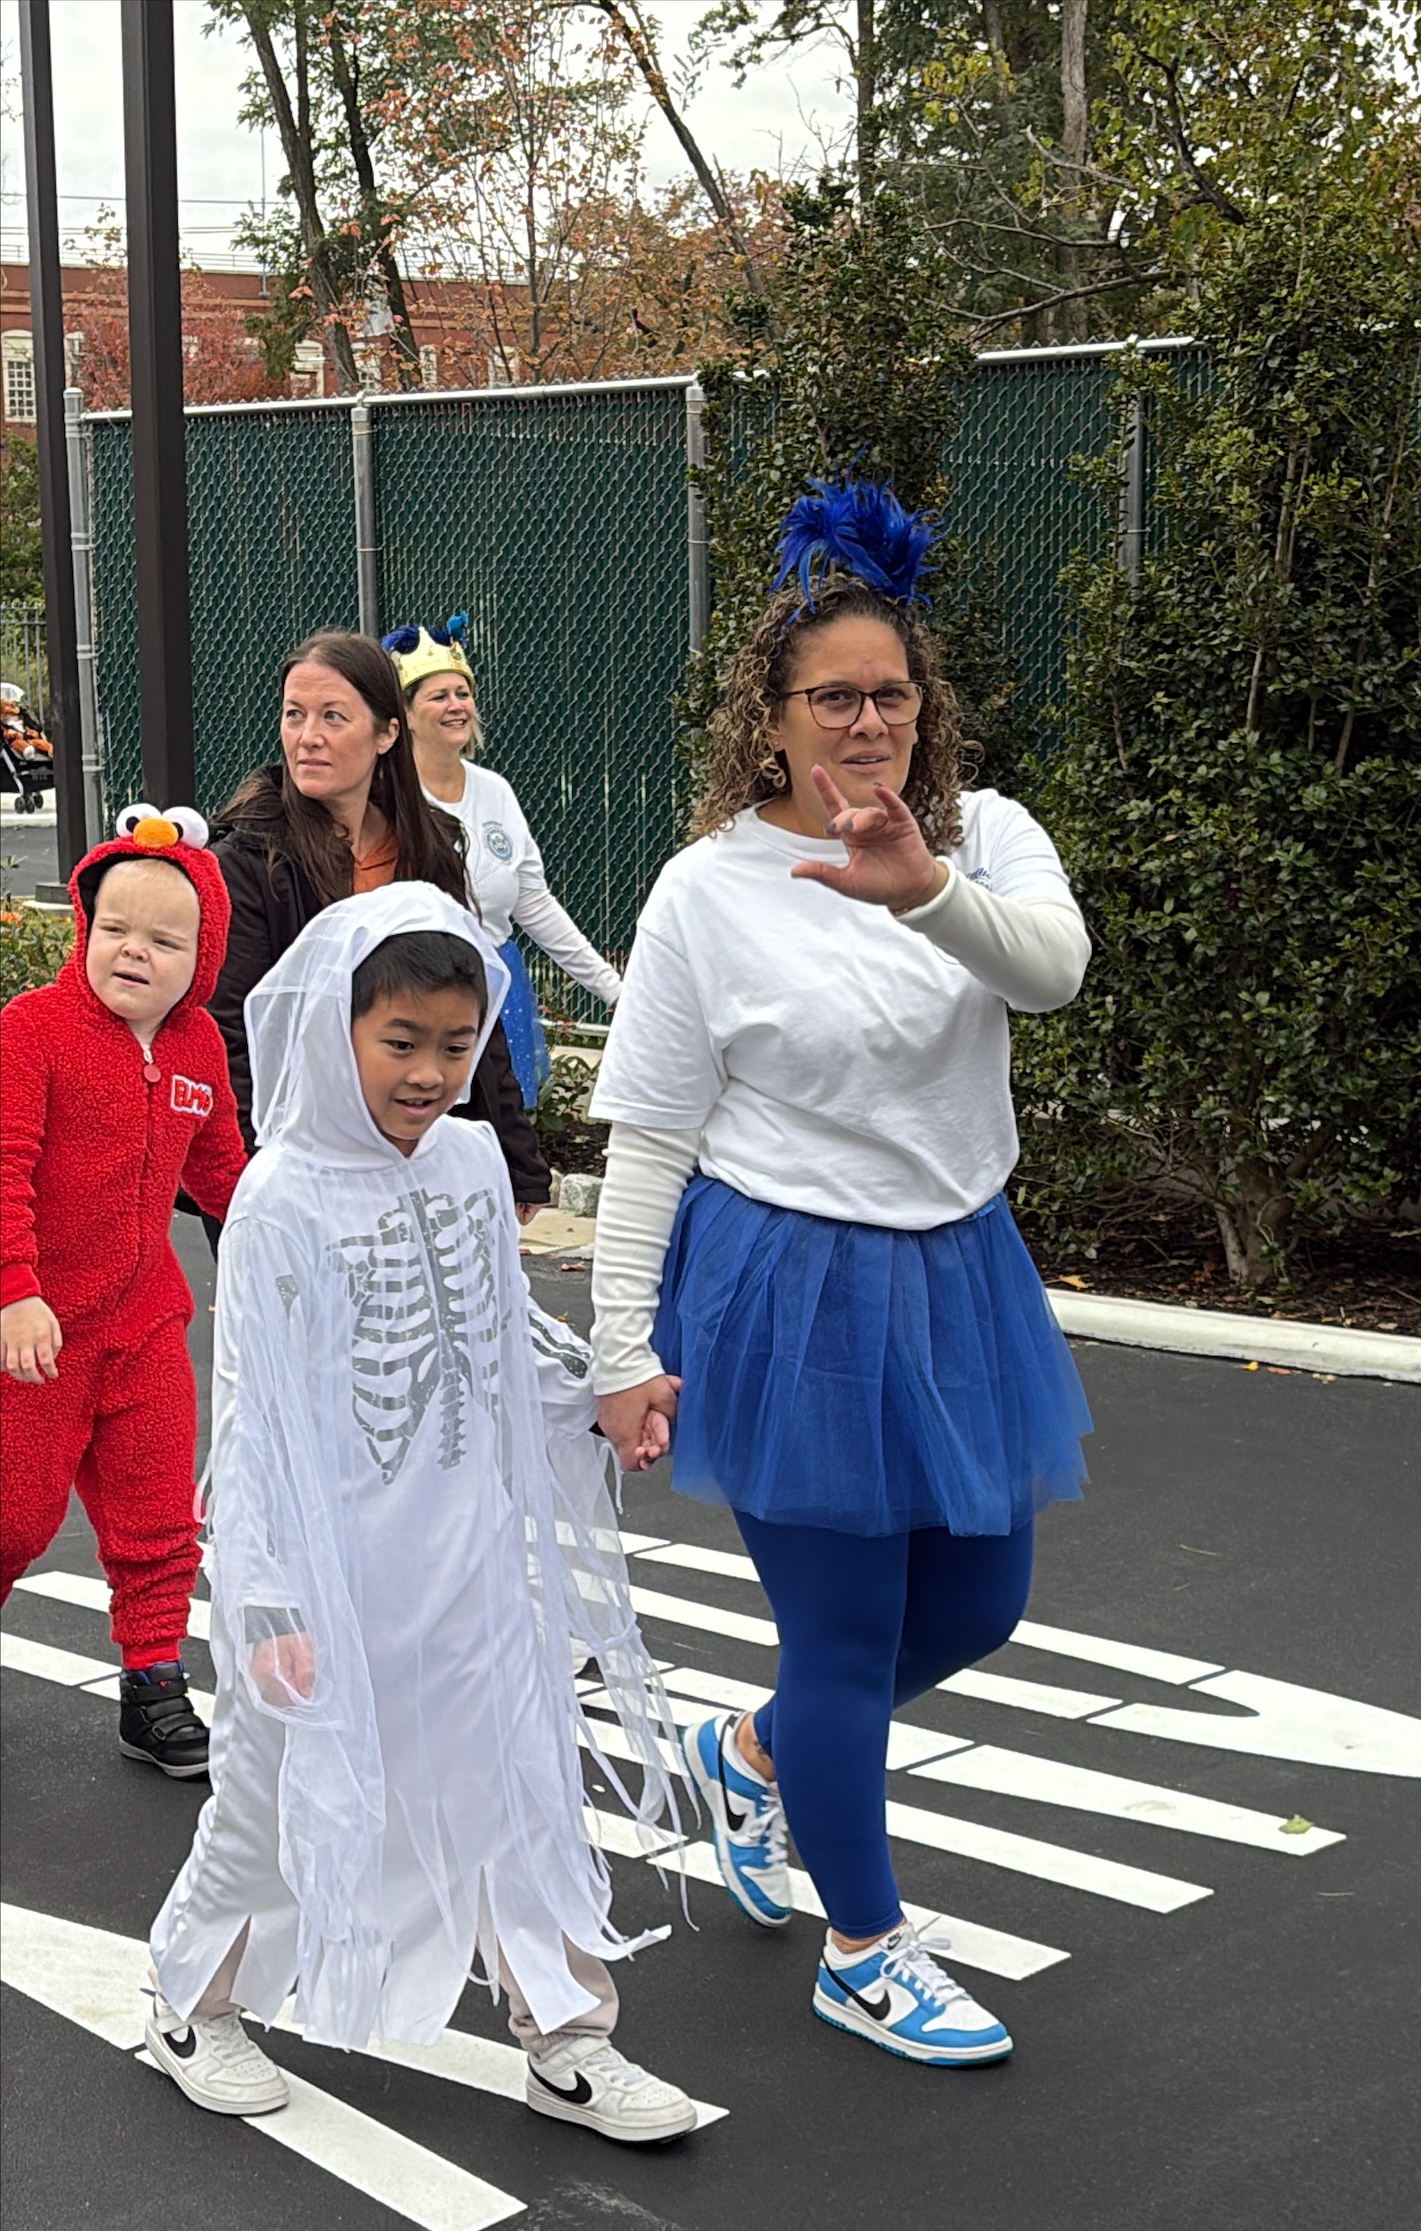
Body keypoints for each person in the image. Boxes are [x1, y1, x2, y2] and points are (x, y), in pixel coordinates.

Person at [586, 476, 1093, 2070]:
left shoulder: (986, 837)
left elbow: (1056, 975)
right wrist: (618, 1348)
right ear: (774, 715)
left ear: (923, 706)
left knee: (983, 1603)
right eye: (834, 697)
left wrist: (926, 889)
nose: (868, 721)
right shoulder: (708, 889)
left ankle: (751, 1753)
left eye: (891, 694)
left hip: (959, 1272)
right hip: (784, 1283)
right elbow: (653, 1137)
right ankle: (863, 1948)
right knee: (849, 1641)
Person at [144, 883, 696, 2145]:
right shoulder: (281, 1193)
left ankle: (566, 2031)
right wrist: (268, 1600)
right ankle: (190, 2000)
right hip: (327, 1565)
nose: (430, 1074)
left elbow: (494, 1336)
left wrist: (594, 1399)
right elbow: (253, 1411)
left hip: (463, 1549)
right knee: (275, 1796)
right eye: (401, 1041)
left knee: (512, 1781)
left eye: (456, 1044)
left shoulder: (466, 1160)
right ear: (338, 1029)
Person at [0, 811, 247, 1778]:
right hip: (40, 1329)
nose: (134, 951)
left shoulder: (197, 1048)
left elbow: (226, 1175)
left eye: (163, 940)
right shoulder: (33, 1031)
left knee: (158, 1515)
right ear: (85, 927)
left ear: (203, 958)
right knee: (15, 1515)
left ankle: (152, 1683)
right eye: (115, 929)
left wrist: (290, 1256)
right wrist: (15, 1290)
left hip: (145, 1321)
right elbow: (5, 1168)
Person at [206, 628, 551, 1221]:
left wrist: (516, 1161)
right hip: (296, 1166)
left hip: (415, 1152)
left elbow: (469, 1016)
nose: (307, 737)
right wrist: (254, 1185)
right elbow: (229, 1035)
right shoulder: (249, 861)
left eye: (333, 717)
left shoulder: (428, 850)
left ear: (387, 733)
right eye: (294, 715)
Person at [385, 615, 622, 1107]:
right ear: (405, 714)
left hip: (495, 984)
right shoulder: (388, 798)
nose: (456, 706)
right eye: (438, 696)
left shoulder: (496, 791)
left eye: (463, 693)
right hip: (414, 990)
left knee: (502, 1126)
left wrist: (612, 989)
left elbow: (531, 901)